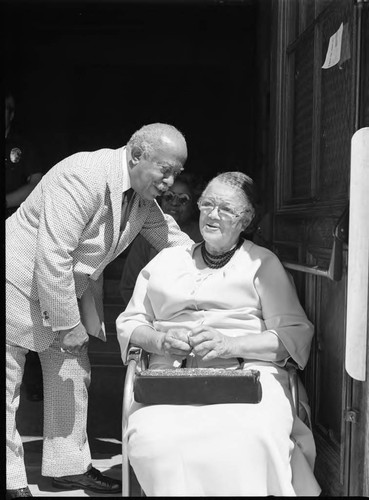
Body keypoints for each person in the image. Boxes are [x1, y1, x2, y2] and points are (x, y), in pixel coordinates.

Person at [6, 123, 193, 499]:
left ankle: (69, 467)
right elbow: (53, 256)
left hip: (58, 292)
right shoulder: (82, 175)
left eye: (177, 173)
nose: (171, 182)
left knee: (72, 375)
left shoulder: (140, 195)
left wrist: (217, 260)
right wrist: (68, 323)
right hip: (18, 283)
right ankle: (11, 481)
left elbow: (171, 238)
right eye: (166, 170)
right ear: (137, 155)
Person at [116, 171, 321, 496]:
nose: (212, 214)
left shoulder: (262, 263)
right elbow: (130, 323)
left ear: (247, 219)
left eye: (225, 209)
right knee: (154, 437)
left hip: (248, 375)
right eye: (207, 204)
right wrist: (160, 342)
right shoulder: (167, 260)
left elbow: (292, 335)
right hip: (171, 378)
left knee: (252, 433)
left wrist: (230, 344)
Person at [5, 89, 44, 403]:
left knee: (22, 306)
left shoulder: (23, 146)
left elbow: (36, 184)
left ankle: (32, 381)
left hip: (15, 230)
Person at [119, 171, 203, 307]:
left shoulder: (203, 236)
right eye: (169, 197)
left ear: (194, 205)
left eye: (183, 199)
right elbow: (128, 287)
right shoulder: (146, 236)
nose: (174, 203)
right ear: (160, 199)